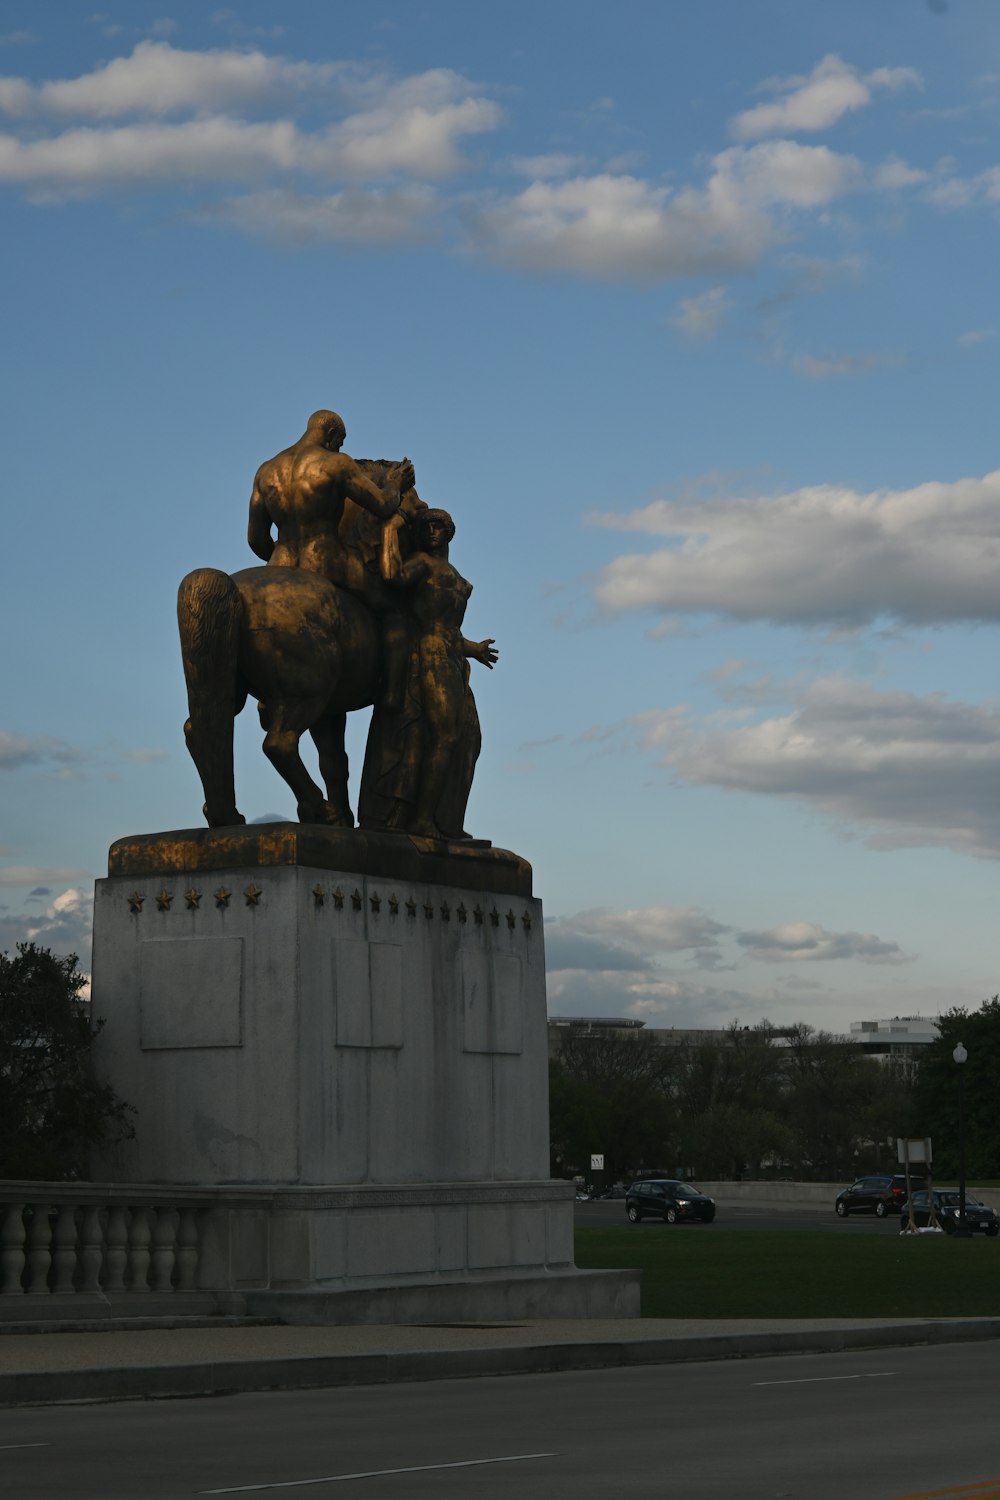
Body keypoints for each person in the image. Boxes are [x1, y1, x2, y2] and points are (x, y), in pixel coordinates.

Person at [247, 409, 415, 708]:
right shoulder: (336, 463)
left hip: (280, 561)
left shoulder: (266, 471)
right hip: (326, 558)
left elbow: (255, 538)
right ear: (332, 434)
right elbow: (383, 505)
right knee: (393, 612)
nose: (340, 448)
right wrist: (394, 485)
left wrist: (277, 558)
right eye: (340, 442)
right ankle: (391, 694)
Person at [378, 507, 497, 839]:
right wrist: (391, 526)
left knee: (461, 737)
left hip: (453, 657)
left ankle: (443, 818)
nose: (431, 531)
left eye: (438, 526)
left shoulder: (458, 579)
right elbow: (391, 575)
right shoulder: (421, 565)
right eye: (427, 526)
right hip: (429, 652)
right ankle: (422, 820)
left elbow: (452, 631)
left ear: (449, 532)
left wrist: (474, 649)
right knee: (443, 736)